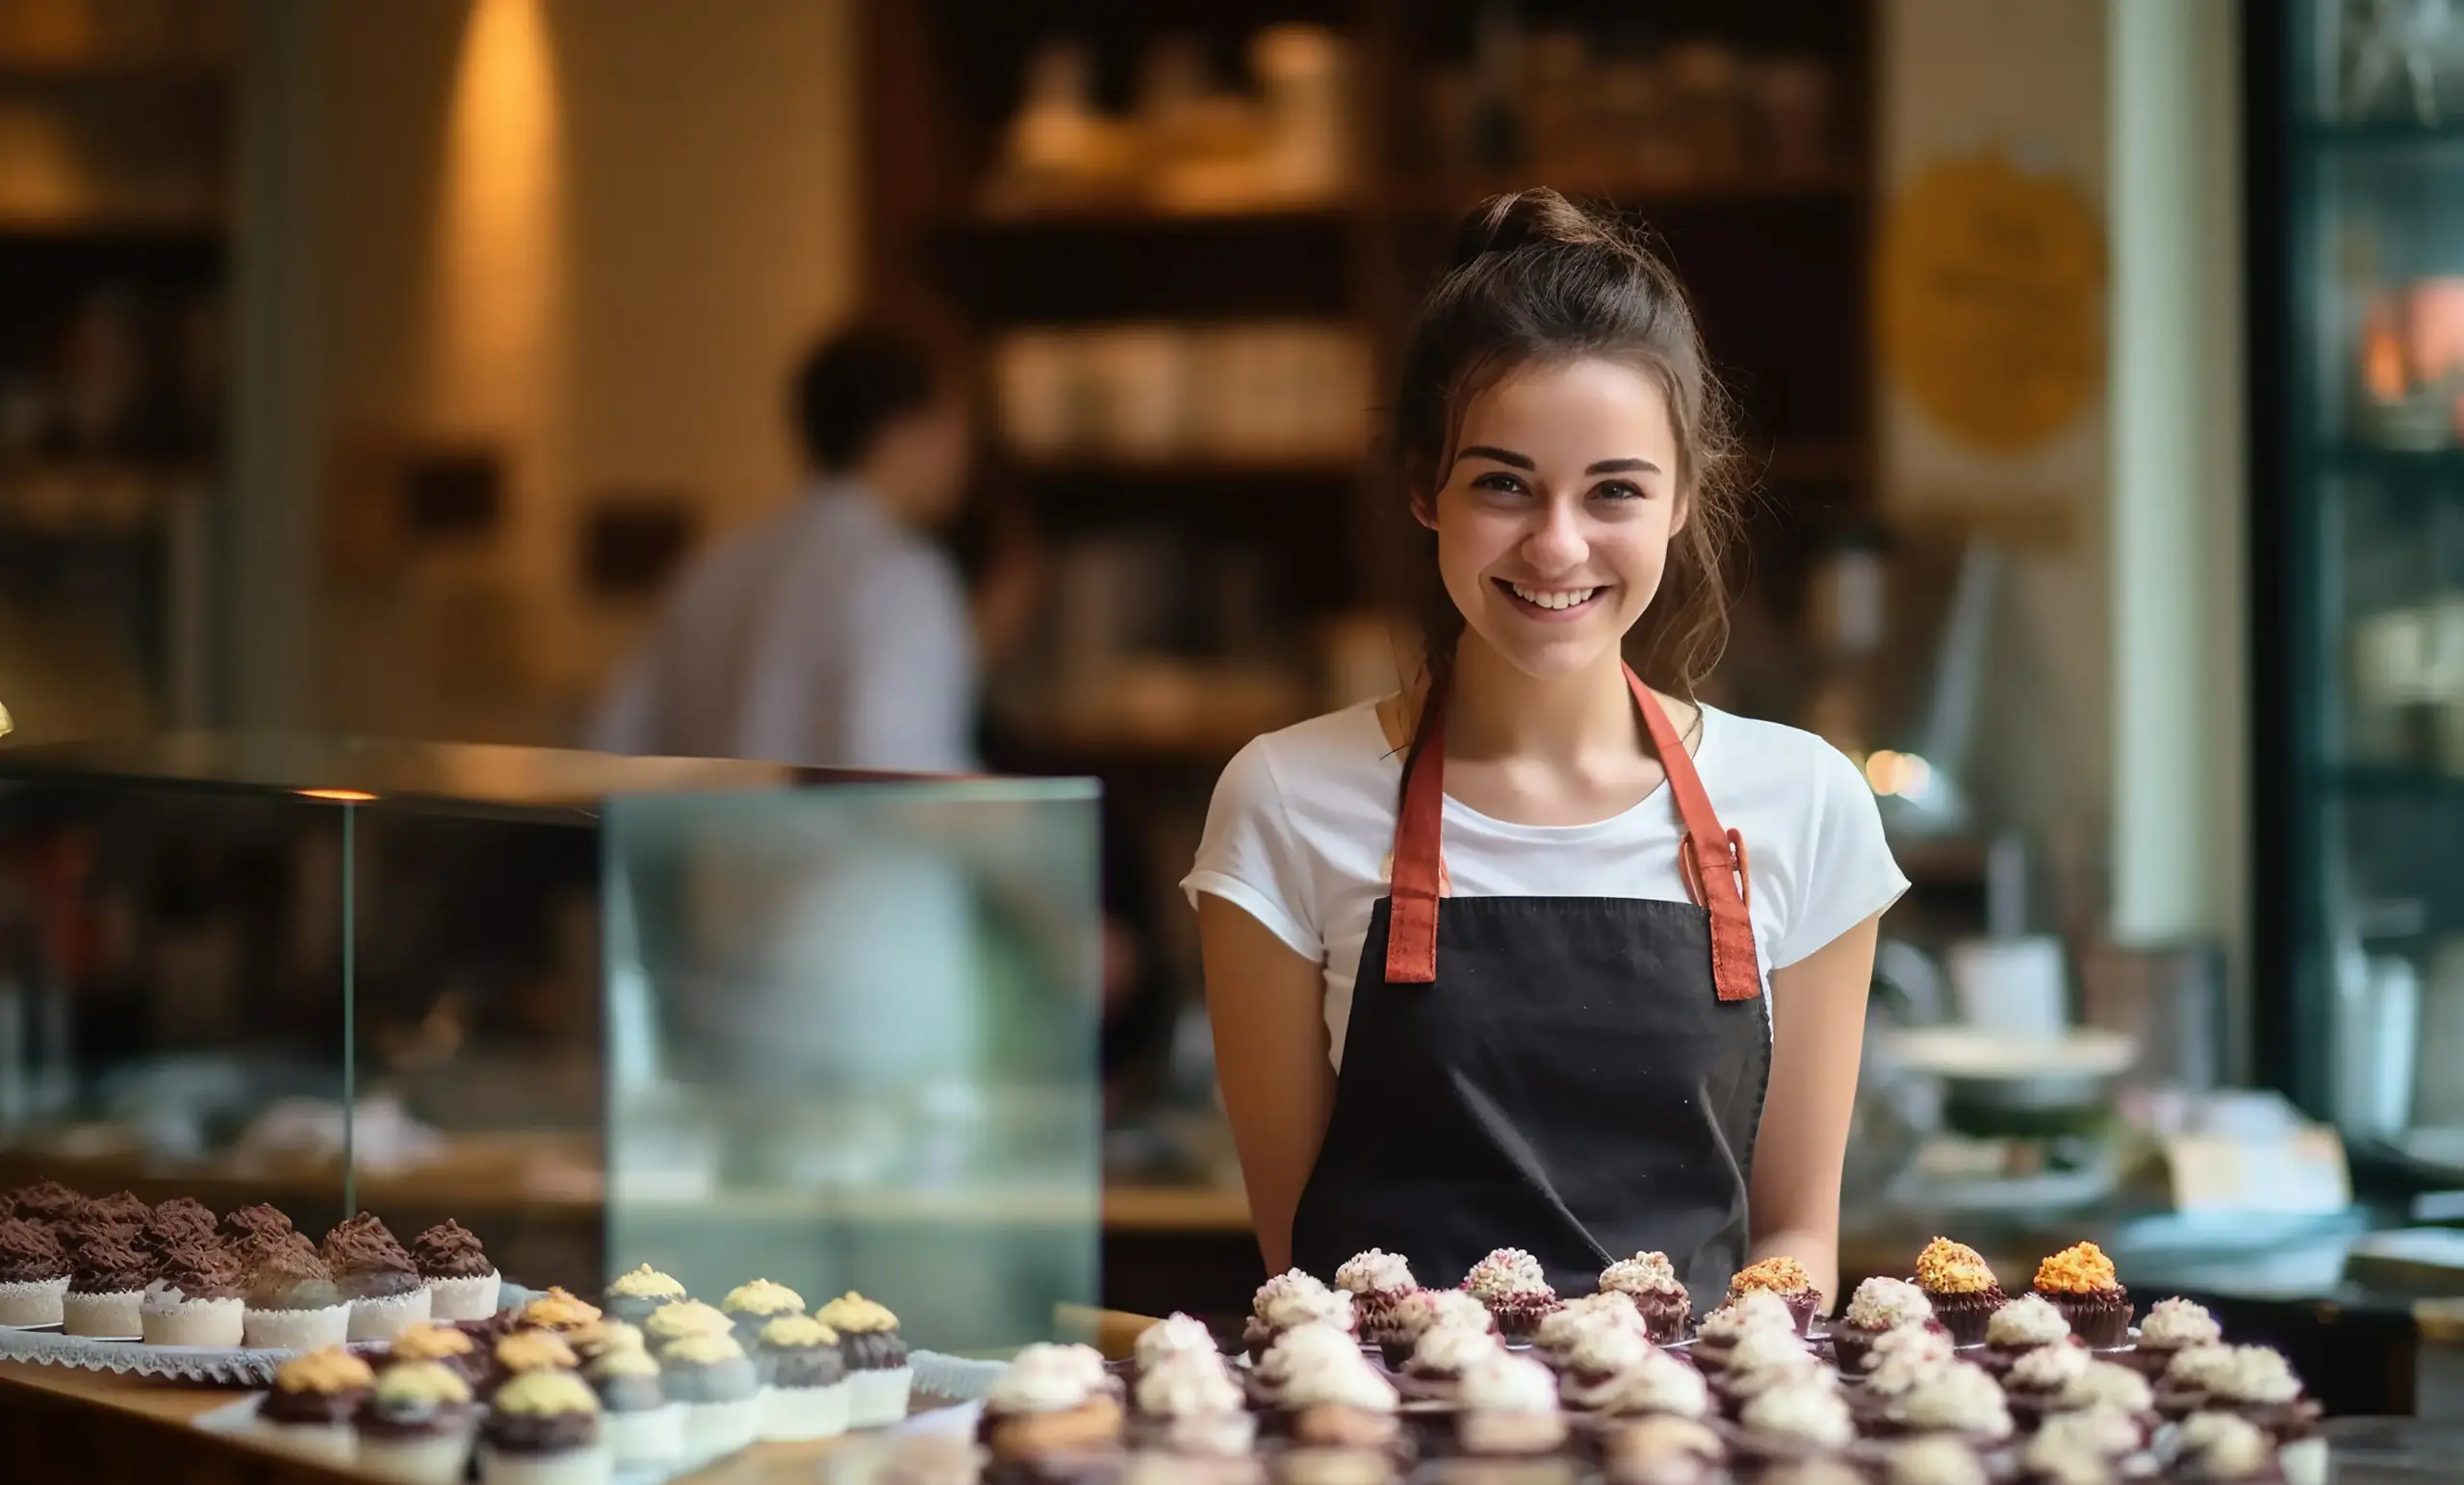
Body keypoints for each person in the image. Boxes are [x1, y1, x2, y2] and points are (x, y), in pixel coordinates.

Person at [1182, 191, 1907, 1314]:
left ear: (1680, 500)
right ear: (1425, 488)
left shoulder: (1804, 800)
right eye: (1503, 484)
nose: (1557, 543)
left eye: (1613, 488)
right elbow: (1298, 1255)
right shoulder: (1283, 799)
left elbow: (1797, 1230)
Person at [588, 324, 988, 771]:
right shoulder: (902, 578)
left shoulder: (712, 569)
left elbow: (611, 738)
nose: (966, 448)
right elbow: (909, 785)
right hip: (836, 843)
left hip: (701, 839)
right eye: (957, 420)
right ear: (901, 430)